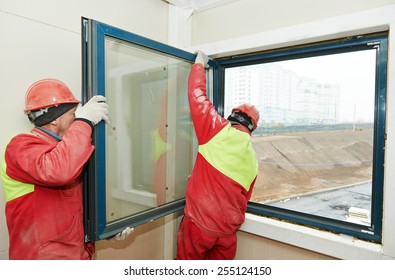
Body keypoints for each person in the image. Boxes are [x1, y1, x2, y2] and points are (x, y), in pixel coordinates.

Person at [1, 78, 132, 260]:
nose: (76, 118)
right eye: (73, 113)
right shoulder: (19, 146)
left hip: (75, 254)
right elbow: (58, 171)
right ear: (54, 119)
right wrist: (84, 121)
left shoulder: (68, 150)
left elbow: (72, 210)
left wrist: (102, 229)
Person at [176, 51, 260, 260]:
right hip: (227, 234)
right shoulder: (252, 160)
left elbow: (197, 96)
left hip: (199, 226)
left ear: (232, 116)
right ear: (251, 128)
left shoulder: (216, 130)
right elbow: (243, 197)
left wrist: (198, 66)